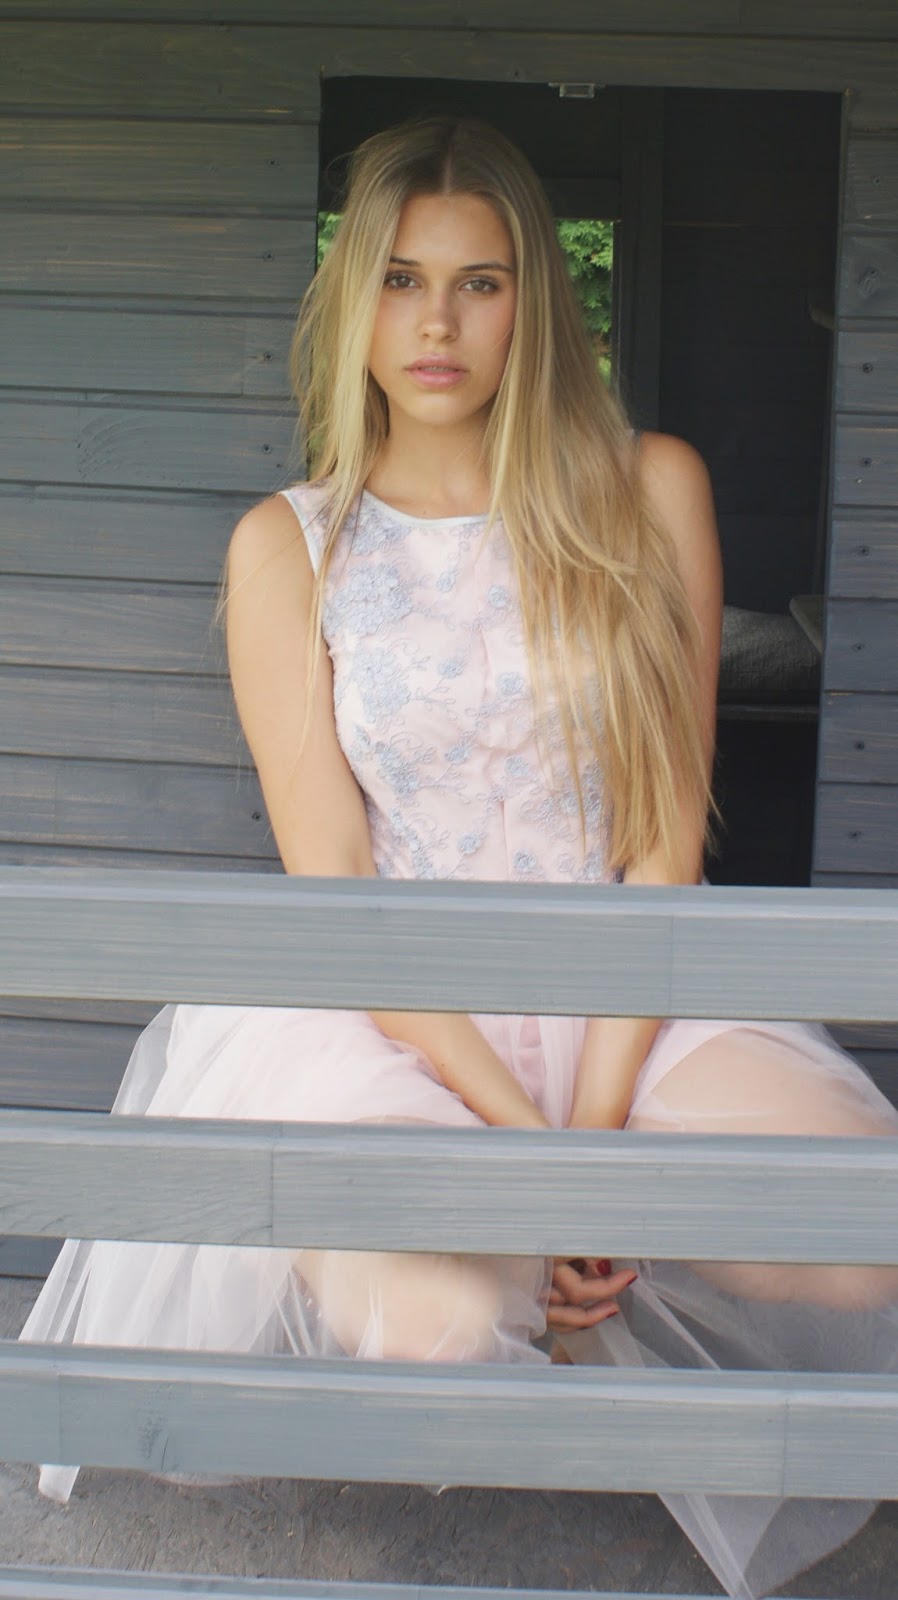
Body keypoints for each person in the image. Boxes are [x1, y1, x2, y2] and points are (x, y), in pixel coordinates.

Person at [19, 116, 898, 1598]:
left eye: (480, 283)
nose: (438, 323)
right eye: (401, 280)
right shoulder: (289, 546)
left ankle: (595, 1271)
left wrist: (592, 1152)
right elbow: (336, 885)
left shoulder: (648, 489)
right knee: (435, 1328)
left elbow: (660, 837)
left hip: (630, 983)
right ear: (351, 302)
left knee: (854, 1240)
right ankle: (496, 1280)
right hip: (389, 1010)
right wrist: (523, 1164)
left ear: (531, 302)